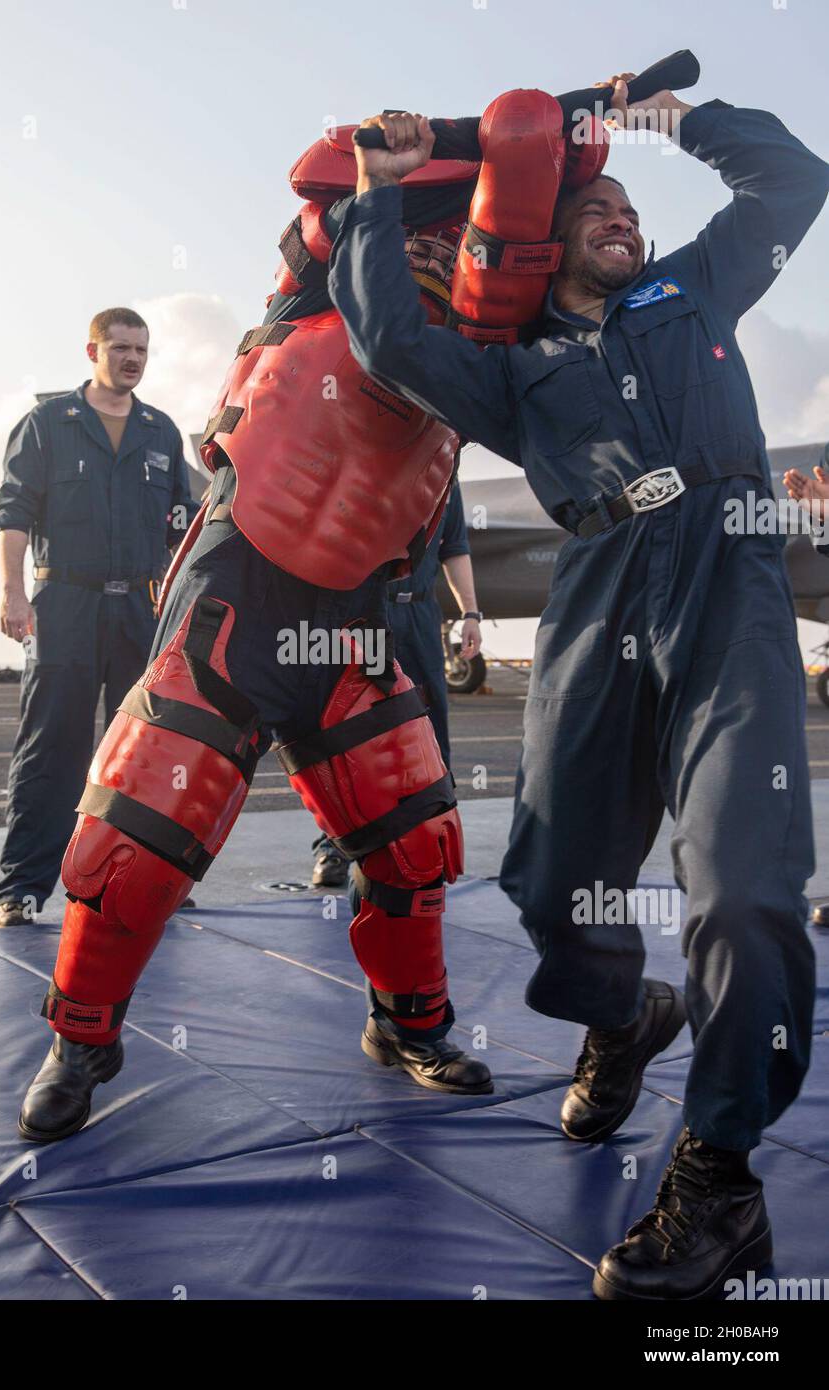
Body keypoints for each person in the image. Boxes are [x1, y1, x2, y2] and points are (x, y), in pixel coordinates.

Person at [327, 76, 829, 1300]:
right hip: (599, 588)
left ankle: (717, 1173)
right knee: (551, 876)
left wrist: (664, 123)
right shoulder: (513, 369)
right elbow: (391, 336)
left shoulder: (696, 286)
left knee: (747, 882)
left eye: (625, 205)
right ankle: (621, 1010)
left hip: (727, 579)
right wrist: (373, 202)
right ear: (549, 251)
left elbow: (795, 180)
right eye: (595, 206)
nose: (620, 214)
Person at [15, 116, 542, 1146]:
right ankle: (81, 1039)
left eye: (457, 241)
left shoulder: (481, 358)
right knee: (137, 836)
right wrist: (486, 133)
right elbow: (323, 164)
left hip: (355, 620)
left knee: (415, 839)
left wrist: (552, 147)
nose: (435, 253)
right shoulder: (322, 279)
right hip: (238, 601)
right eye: (419, 234)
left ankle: (409, 1023)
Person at [0, 308, 195, 928]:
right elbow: (14, 515)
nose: (133, 358)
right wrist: (12, 593)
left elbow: (182, 529)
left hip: (140, 607)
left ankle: (146, 884)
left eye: (142, 349)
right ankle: (22, 888)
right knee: (51, 748)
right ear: (92, 351)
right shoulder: (48, 424)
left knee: (143, 754)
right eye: (121, 348)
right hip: (64, 605)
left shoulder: (162, 432)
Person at [311, 481, 482, 888]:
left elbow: (454, 547)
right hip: (364, 613)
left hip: (421, 617)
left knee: (430, 734)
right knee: (347, 732)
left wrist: (471, 612)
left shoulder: (444, 476)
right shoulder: (365, 457)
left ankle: (428, 845)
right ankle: (333, 849)